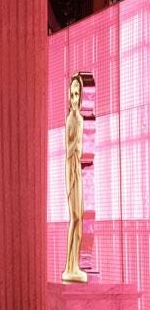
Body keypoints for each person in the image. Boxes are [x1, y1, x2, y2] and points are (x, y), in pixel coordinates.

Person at [62, 75, 87, 283]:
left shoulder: (80, 118)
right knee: (76, 217)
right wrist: (77, 145)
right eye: (72, 94)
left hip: (77, 168)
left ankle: (74, 263)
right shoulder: (72, 119)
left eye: (77, 94)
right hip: (71, 168)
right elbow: (68, 149)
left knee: (80, 219)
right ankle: (70, 264)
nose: (74, 97)